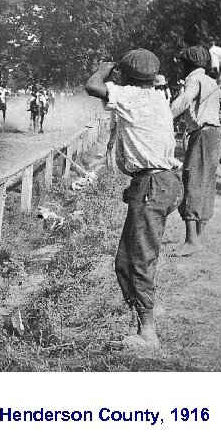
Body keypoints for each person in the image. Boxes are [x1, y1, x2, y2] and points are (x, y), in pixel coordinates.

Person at [85, 48, 183, 349]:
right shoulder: (156, 97)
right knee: (127, 259)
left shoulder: (129, 97)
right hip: (164, 182)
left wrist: (105, 68)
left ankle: (147, 331)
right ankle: (146, 307)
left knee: (137, 257)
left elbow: (92, 85)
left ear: (126, 76)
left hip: (151, 184)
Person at [170, 46, 221, 256]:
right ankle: (201, 238)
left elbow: (186, 99)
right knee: (206, 183)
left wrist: (166, 115)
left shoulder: (194, 79)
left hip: (201, 136)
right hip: (214, 135)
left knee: (192, 180)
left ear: (188, 64)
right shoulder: (211, 81)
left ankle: (191, 241)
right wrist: (212, 117)